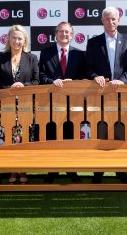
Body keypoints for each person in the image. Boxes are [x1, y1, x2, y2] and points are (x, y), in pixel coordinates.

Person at [86, 6, 127, 184]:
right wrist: (95, 76)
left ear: (119, 20)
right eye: (107, 19)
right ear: (102, 21)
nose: (111, 22)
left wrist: (123, 80)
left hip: (122, 95)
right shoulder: (93, 43)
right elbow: (88, 68)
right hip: (100, 96)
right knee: (100, 132)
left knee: (121, 133)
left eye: (114, 19)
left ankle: (121, 170)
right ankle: (98, 172)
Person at [39, 21, 86, 183]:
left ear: (71, 35)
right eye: (61, 31)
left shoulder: (79, 54)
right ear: (55, 34)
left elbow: (83, 77)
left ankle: (71, 169)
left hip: (73, 103)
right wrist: (53, 81)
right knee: (52, 136)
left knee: (70, 136)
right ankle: (52, 170)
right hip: (51, 103)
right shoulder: (45, 53)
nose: (64, 34)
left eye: (67, 32)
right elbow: (41, 76)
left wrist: (74, 82)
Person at [0, 24, 39, 184]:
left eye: (20, 38)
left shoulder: (32, 58)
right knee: (10, 140)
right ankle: (13, 170)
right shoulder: (0, 58)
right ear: (9, 39)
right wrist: (10, 88)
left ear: (24, 40)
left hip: (26, 106)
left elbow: (36, 81)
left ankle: (23, 170)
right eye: (14, 38)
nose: (17, 41)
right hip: (6, 107)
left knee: (24, 139)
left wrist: (23, 86)